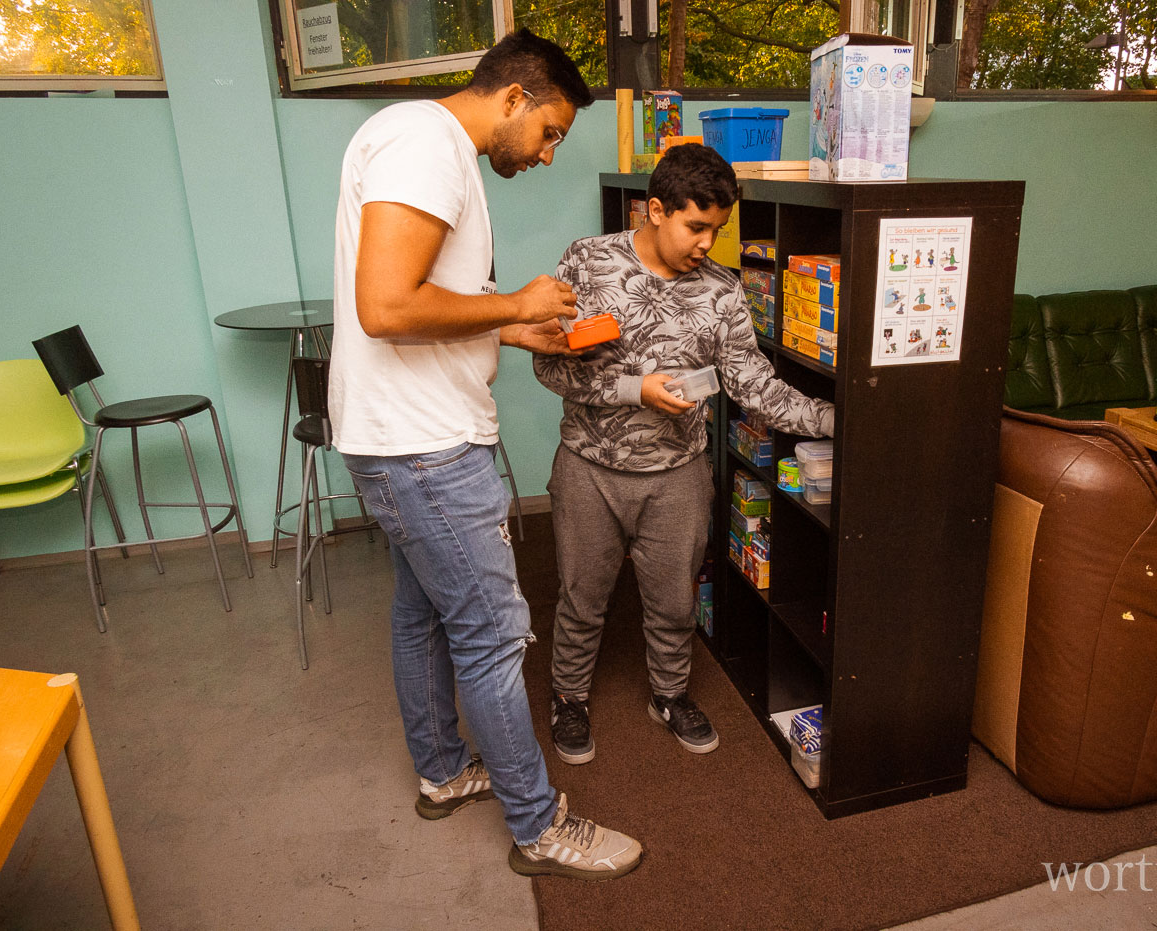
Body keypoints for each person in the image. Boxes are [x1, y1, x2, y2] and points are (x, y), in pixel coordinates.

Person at [330, 28, 641, 881]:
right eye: (550, 132)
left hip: (402, 437)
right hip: (424, 448)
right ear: (514, 98)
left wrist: (512, 327)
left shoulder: (428, 147)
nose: (547, 155)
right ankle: (540, 825)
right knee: (495, 633)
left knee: (422, 611)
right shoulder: (425, 145)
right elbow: (387, 306)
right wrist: (517, 297)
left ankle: (439, 771)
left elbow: (425, 305)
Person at [532, 144, 834, 764]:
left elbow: (755, 384)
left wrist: (835, 418)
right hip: (591, 467)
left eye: (717, 230)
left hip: (680, 474)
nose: (708, 244)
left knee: (673, 601)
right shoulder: (589, 262)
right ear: (655, 210)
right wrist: (633, 390)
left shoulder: (722, 291)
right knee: (581, 596)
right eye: (696, 227)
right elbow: (548, 367)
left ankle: (668, 696)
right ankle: (569, 697)